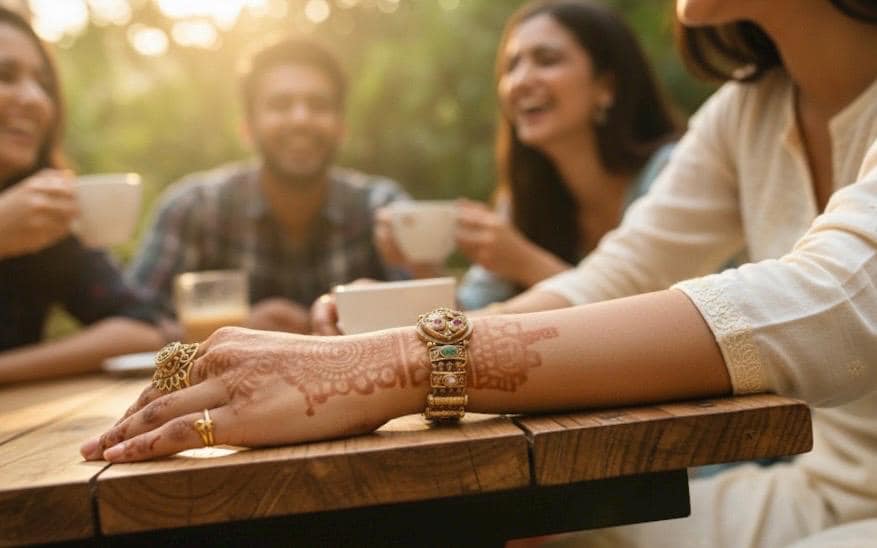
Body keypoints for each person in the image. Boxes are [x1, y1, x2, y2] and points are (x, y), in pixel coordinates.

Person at [82, 0, 877, 545]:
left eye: (547, 58)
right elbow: (616, 273)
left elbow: (835, 306)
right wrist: (362, 350)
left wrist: (392, 364)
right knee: (514, 529)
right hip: (808, 494)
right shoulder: (748, 109)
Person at [375, 0, 678, 311]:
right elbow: (470, 319)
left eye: (547, 60)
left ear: (606, 86)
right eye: (512, 67)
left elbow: (665, 320)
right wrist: (423, 266)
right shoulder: (522, 201)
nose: (519, 81)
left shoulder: (672, 173)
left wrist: (524, 262)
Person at [126, 36, 410, 335]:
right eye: (280, 105)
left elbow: (437, 323)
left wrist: (395, 295)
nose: (300, 119)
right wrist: (235, 330)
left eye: (318, 105)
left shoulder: (383, 207)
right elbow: (130, 323)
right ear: (247, 128)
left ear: (341, 127)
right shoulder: (194, 208)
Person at [0, 6, 165, 384]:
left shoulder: (39, 212)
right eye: (4, 76)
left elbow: (140, 329)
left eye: (43, 84)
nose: (35, 99)